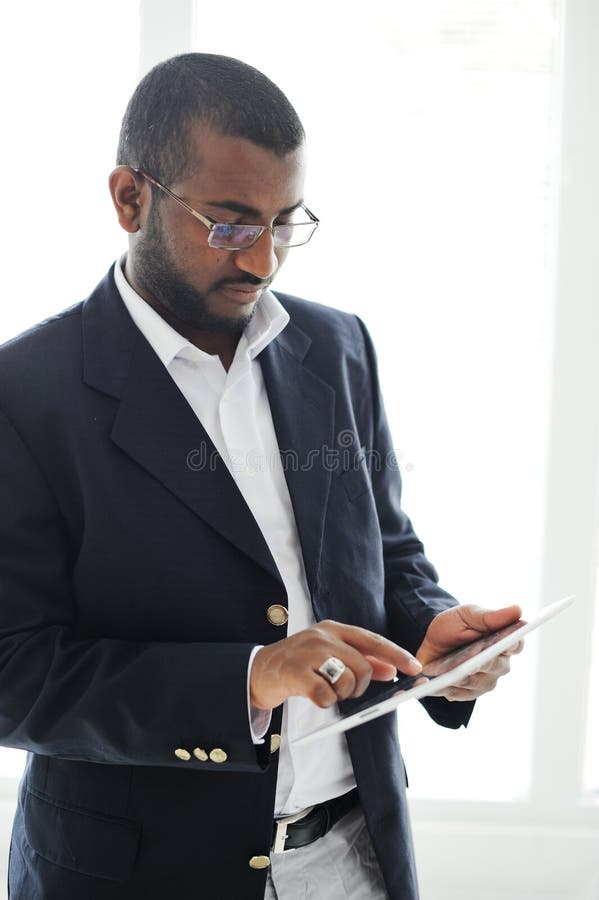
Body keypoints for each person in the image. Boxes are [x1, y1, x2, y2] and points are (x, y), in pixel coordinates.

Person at [0, 53, 522, 900]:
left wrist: (431, 635)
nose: (265, 261)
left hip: (352, 857)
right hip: (139, 875)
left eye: (287, 223)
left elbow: (383, 547)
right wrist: (246, 678)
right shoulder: (24, 395)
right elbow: (12, 674)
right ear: (130, 198)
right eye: (233, 223)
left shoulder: (338, 345)